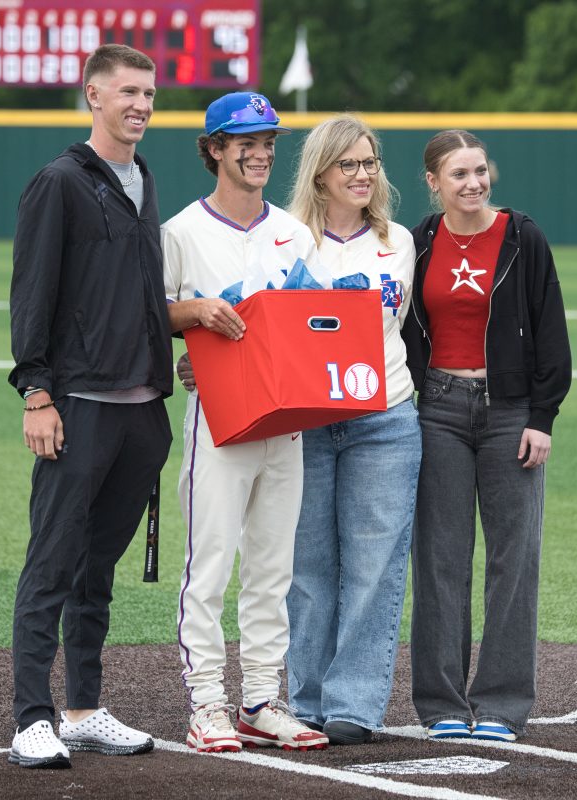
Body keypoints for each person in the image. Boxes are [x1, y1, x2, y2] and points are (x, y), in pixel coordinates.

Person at [6, 44, 172, 769]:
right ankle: (30, 718)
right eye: (128, 92)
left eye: (149, 94)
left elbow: (140, 295)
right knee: (51, 563)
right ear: (93, 96)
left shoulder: (144, 179)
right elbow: (32, 292)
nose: (141, 105)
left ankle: (81, 708)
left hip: (142, 412)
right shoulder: (59, 182)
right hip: (77, 405)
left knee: (97, 567)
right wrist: (36, 392)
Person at [162, 92, 330, 753]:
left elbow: (309, 321)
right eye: (245, 143)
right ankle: (207, 702)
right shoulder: (181, 231)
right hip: (221, 418)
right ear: (214, 150)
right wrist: (197, 314)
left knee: (272, 569)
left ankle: (261, 699)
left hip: (285, 422)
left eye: (267, 142)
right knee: (208, 566)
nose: (260, 154)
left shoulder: (292, 230)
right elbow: (148, 311)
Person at [401, 129, 571, 743]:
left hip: (511, 414)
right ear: (433, 182)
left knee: (513, 561)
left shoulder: (523, 237)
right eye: (459, 174)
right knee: (439, 561)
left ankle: (500, 704)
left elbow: (550, 330)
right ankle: (441, 703)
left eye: (480, 171)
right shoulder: (417, 241)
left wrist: (541, 418)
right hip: (438, 410)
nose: (473, 183)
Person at [283, 115, 420, 746]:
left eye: (370, 163)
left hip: (384, 418)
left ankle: (355, 705)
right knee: (307, 568)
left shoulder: (399, 242)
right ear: (320, 173)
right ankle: (305, 700)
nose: (363, 174)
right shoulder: (286, 240)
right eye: (349, 164)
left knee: (375, 566)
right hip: (305, 422)